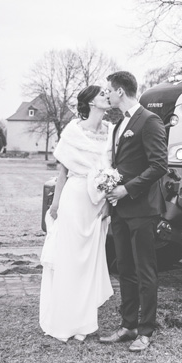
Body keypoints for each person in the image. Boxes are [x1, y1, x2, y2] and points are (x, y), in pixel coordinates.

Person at [39, 85, 114, 343]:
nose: (107, 95)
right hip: (74, 198)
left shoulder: (112, 132)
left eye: (108, 93)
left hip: (98, 203)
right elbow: (62, 172)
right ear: (91, 102)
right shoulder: (73, 130)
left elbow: (115, 169)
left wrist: (109, 204)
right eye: (102, 94)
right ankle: (64, 320)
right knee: (70, 260)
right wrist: (55, 205)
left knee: (89, 263)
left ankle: (84, 321)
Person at [99, 71, 168, 352]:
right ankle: (128, 326)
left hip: (142, 208)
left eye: (108, 90)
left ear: (120, 91)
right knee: (125, 269)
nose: (106, 94)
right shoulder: (118, 124)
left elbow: (159, 165)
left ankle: (146, 330)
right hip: (120, 210)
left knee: (145, 270)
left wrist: (127, 189)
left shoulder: (149, 121)